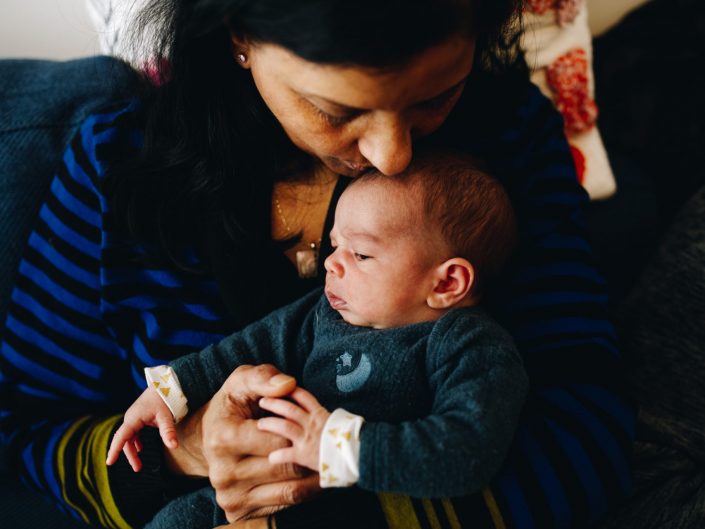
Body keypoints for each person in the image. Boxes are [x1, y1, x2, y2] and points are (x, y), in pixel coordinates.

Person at [0, 1, 634, 528]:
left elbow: (590, 442)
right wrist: (185, 452)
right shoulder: (116, 168)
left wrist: (322, 506)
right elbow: (25, 429)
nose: (392, 155)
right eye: (337, 112)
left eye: (437, 97)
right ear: (240, 35)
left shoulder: (510, 141)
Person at [106, 152, 527, 526]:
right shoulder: (324, 311)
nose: (331, 264)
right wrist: (170, 390)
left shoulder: (468, 343)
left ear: (448, 282)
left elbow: (466, 449)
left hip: (354, 505)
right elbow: (248, 347)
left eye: (360, 254)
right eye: (334, 246)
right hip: (252, 489)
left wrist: (337, 446)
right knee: (173, 520)